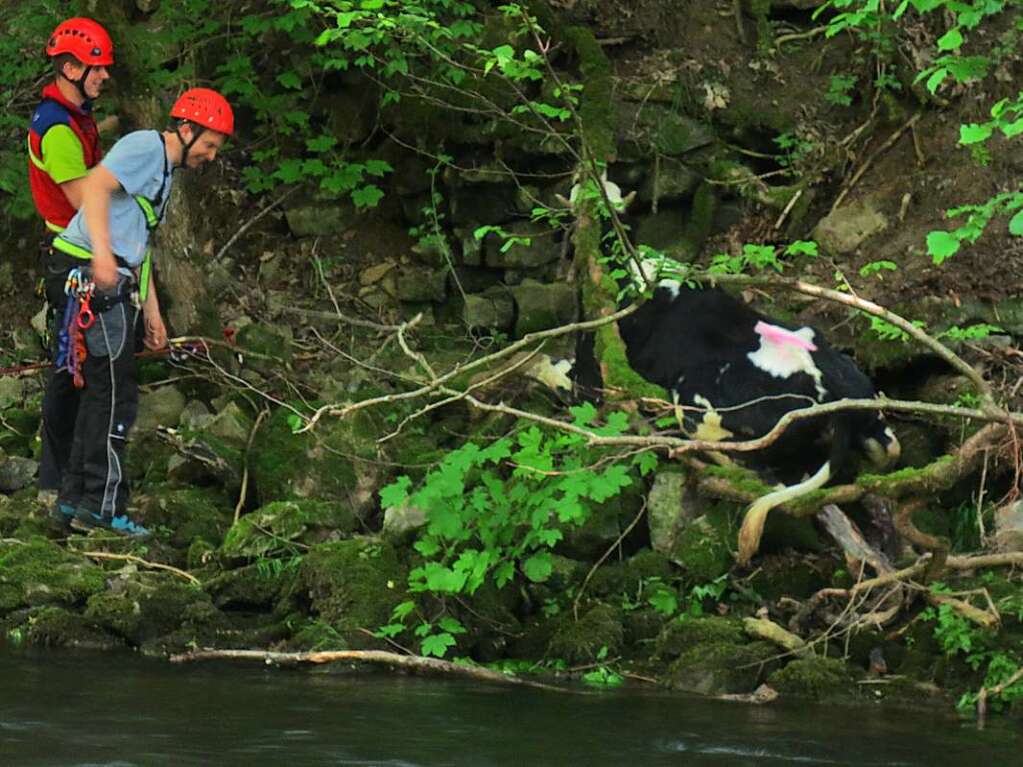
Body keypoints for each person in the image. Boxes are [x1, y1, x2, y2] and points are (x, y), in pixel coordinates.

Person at [41, 87, 235, 536]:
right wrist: (103, 258)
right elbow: (93, 187)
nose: (209, 156)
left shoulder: (164, 174)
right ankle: (103, 507)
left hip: (102, 274)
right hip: (88, 272)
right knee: (114, 393)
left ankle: (74, 503)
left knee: (95, 390)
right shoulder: (146, 147)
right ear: (186, 130)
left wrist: (153, 313)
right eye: (208, 145)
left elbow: (138, 246)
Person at [28, 17, 114, 234]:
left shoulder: (70, 111)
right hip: (74, 240)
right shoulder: (58, 131)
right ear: (70, 70)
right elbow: (83, 200)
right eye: (96, 69)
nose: (105, 75)